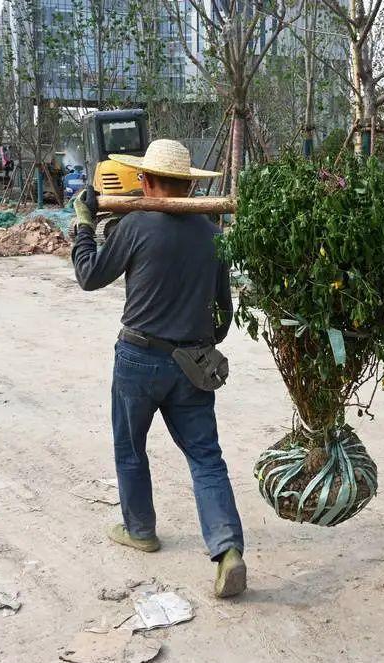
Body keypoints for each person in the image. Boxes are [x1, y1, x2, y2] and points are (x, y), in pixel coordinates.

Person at [70, 139, 247, 598]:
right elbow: (223, 314)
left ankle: (141, 530)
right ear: (189, 187)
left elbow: (89, 276)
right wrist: (202, 343)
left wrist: (84, 225)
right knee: (206, 457)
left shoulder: (135, 225)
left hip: (138, 358)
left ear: (146, 181)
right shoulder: (211, 233)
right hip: (192, 363)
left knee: (130, 448)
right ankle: (227, 549)